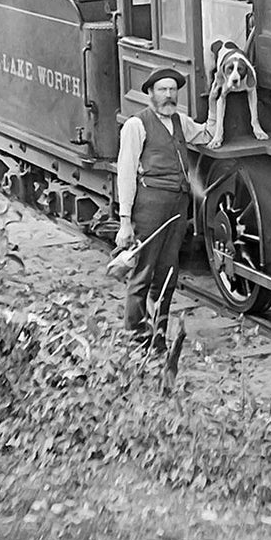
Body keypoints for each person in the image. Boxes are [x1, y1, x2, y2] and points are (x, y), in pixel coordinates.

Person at [114, 68, 213, 347]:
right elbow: (126, 172)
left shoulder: (181, 121)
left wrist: (217, 100)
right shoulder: (137, 125)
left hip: (178, 204)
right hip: (151, 203)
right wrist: (125, 221)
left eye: (173, 90)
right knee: (143, 270)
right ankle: (134, 335)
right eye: (162, 90)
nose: (169, 95)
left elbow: (206, 134)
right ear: (150, 94)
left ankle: (157, 331)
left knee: (168, 271)